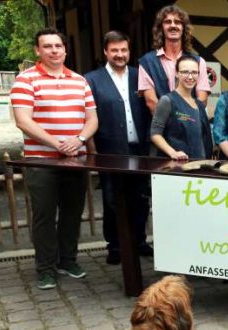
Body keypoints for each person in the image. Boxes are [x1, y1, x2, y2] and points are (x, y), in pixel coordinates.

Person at [10, 28, 98, 289]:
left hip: (75, 158)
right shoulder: (25, 80)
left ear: (65, 50)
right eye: (47, 46)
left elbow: (92, 119)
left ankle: (68, 260)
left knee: (73, 213)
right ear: (38, 50)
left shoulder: (80, 81)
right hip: (42, 161)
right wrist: (57, 144)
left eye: (58, 46)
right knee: (44, 216)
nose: (54, 50)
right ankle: (45, 268)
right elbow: (23, 120)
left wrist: (79, 140)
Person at [85, 31, 152, 265]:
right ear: (106, 51)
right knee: (113, 199)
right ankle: (115, 245)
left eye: (124, 50)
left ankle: (140, 240)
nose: (120, 55)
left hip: (140, 149)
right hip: (110, 150)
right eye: (115, 50)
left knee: (141, 197)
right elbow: (87, 117)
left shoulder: (139, 76)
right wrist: (92, 150)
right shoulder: (92, 79)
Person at [138, 5, 211, 113]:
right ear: (161, 27)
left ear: (183, 27)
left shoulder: (199, 61)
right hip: (161, 127)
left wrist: (187, 120)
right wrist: (174, 124)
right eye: (167, 22)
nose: (173, 25)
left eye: (177, 22)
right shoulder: (147, 62)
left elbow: (202, 99)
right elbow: (151, 102)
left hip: (191, 125)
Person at [150, 56, 212, 160]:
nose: (190, 77)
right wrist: (173, 153)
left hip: (199, 166)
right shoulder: (167, 100)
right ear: (177, 73)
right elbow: (155, 134)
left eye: (194, 72)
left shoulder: (199, 104)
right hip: (177, 167)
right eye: (185, 72)